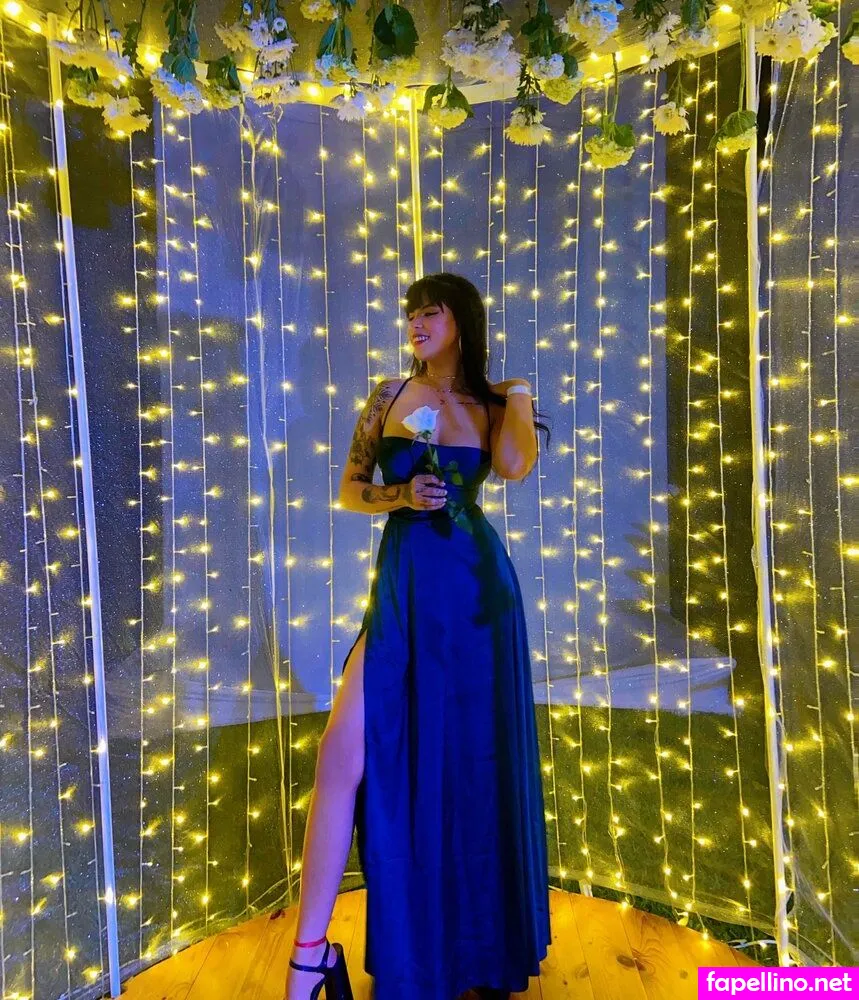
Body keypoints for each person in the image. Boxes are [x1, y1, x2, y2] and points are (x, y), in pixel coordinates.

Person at [285, 273, 552, 1000]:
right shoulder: (387, 395)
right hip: (405, 591)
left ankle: (478, 947)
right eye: (410, 315)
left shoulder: (495, 405)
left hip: (479, 601)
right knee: (340, 750)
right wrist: (400, 494)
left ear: (461, 320)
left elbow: (512, 466)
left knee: (475, 763)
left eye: (430, 313)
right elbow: (350, 489)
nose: (416, 324)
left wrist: (518, 393)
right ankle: (310, 956)